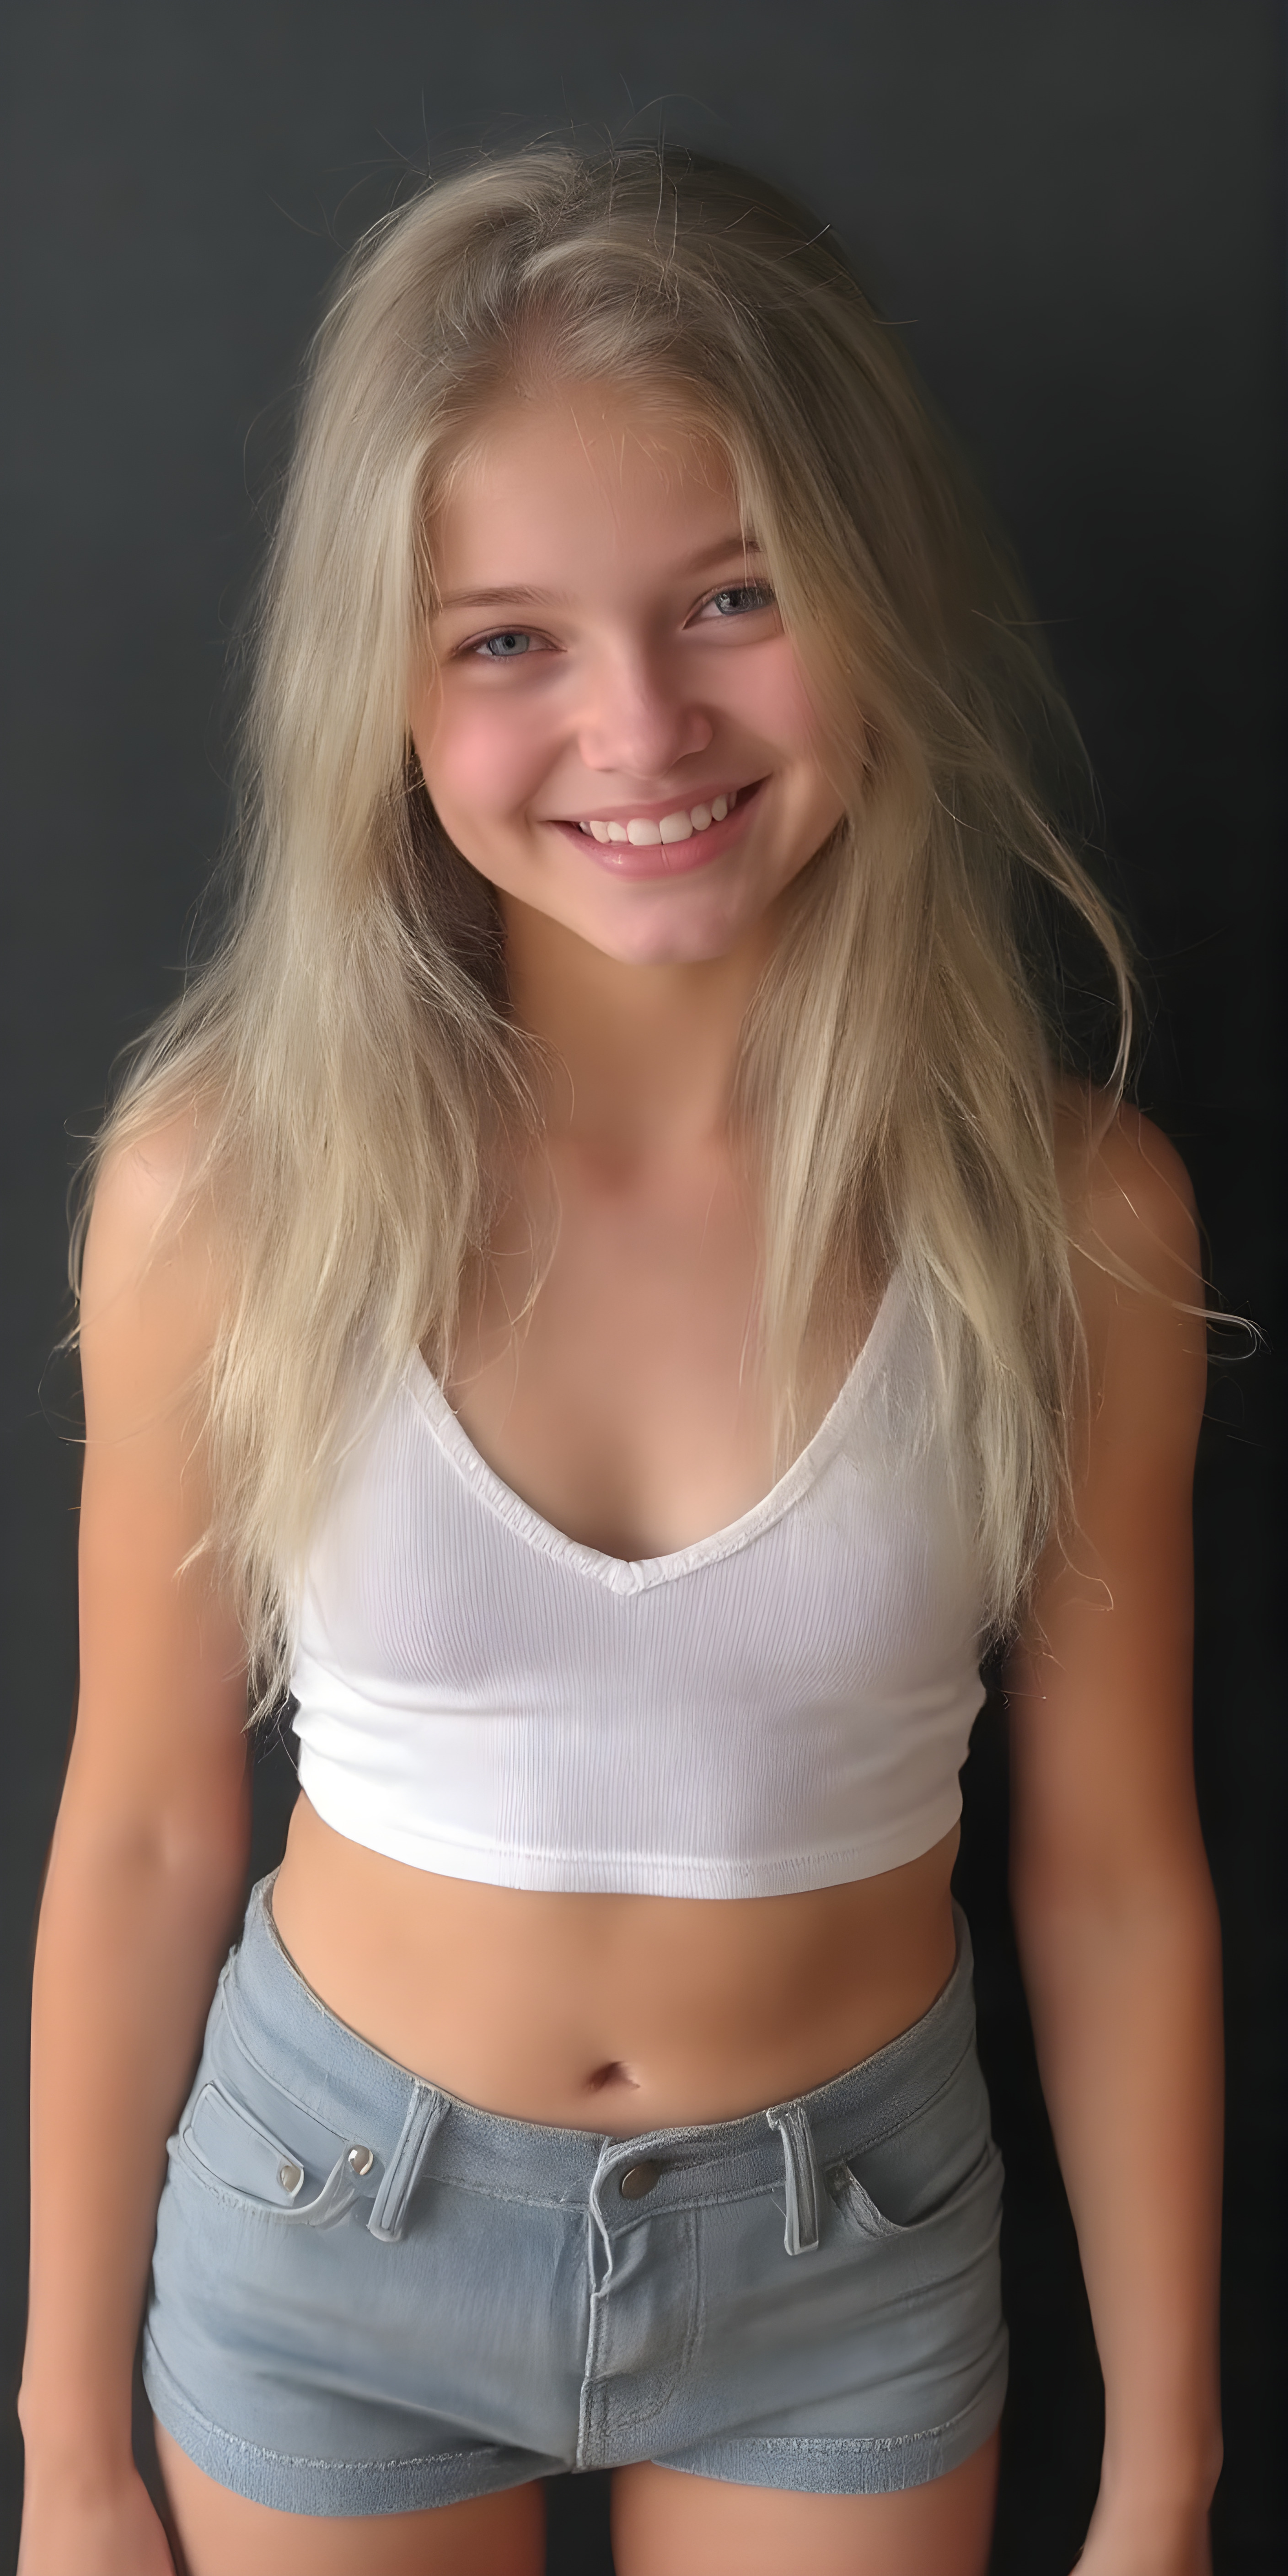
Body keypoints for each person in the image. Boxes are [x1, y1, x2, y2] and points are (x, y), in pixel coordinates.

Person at [18, 146, 1222, 2576]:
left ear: (875, 598)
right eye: (507, 641)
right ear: (379, 688)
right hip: (333, 2232)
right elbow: (145, 1823)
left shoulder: (1069, 1219)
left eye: (734, 598)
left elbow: (1111, 1878)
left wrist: (1168, 2481)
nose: (642, 725)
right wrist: (63, 2450)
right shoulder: (225, 1191)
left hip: (845, 2258)